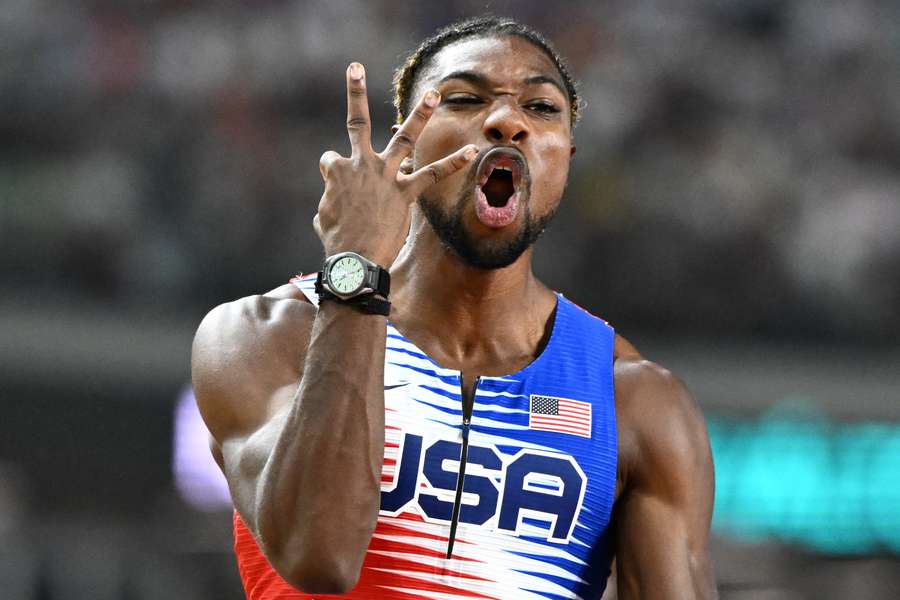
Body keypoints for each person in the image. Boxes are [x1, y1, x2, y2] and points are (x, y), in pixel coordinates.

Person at [191, 16, 717, 600]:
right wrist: (357, 272)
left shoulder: (634, 401)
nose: (507, 121)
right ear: (405, 143)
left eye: (540, 108)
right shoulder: (266, 335)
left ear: (565, 157)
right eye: (466, 99)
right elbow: (321, 556)